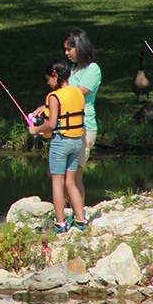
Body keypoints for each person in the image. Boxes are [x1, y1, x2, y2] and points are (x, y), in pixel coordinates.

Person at [29, 59, 88, 233]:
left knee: (57, 183)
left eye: (48, 79)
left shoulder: (54, 97)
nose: (48, 83)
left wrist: (36, 129)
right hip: (77, 141)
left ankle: (60, 223)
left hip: (61, 143)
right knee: (71, 182)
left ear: (55, 75)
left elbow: (52, 124)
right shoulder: (78, 93)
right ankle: (80, 220)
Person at [64, 30, 101, 202]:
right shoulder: (71, 70)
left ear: (79, 48)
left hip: (85, 126)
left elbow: (76, 95)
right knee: (61, 172)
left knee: (75, 174)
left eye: (69, 49)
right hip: (68, 126)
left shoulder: (92, 70)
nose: (66, 53)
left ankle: (78, 214)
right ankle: (64, 212)